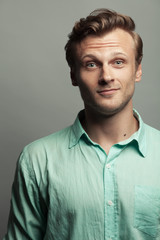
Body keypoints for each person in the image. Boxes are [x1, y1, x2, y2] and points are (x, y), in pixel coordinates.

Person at [3, 8, 160, 240]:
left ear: (137, 70)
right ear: (73, 76)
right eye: (91, 64)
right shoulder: (37, 159)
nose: (106, 76)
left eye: (118, 62)